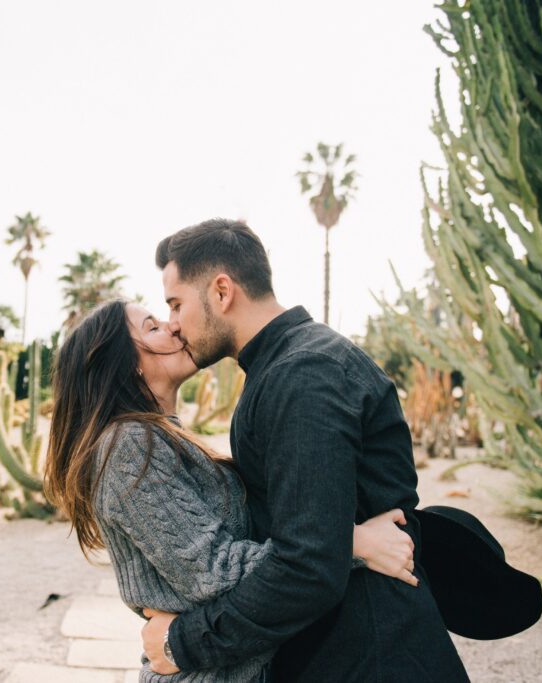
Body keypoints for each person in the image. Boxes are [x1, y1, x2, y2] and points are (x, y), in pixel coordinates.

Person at [139, 218, 468, 682]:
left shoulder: (302, 374)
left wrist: (185, 642)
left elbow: (308, 565)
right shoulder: (286, 366)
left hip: (370, 656)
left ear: (221, 291)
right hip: (345, 646)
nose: (173, 324)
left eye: (175, 304)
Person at [44, 298, 419, 683]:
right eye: (152, 326)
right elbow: (213, 572)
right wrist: (352, 543)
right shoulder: (129, 446)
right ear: (128, 364)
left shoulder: (159, 439)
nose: (173, 326)